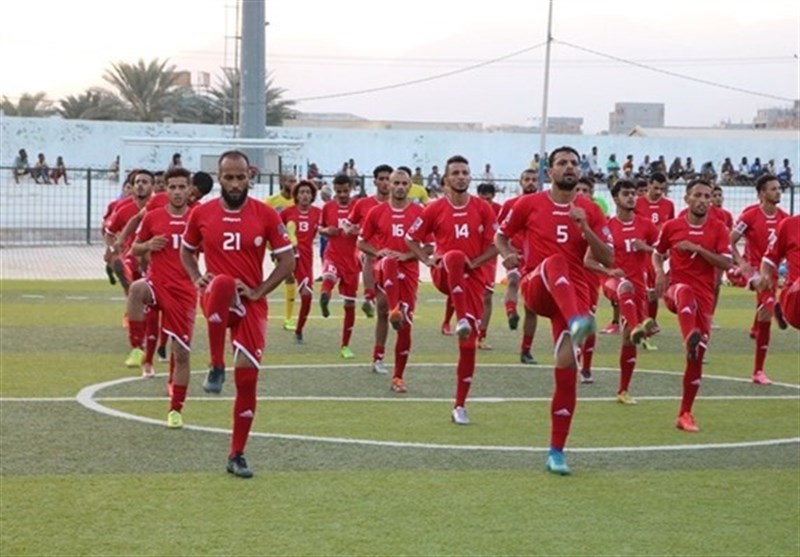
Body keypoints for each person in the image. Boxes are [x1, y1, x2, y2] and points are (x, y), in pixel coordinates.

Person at [496, 146, 612, 475]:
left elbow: (608, 258)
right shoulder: (529, 204)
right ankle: (577, 321)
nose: (569, 167)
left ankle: (556, 452)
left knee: (567, 370)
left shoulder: (591, 209)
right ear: (550, 170)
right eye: (562, 163)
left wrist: (586, 228)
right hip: (538, 287)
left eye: (574, 163)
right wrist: (507, 255)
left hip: (573, 296)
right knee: (554, 262)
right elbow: (501, 236)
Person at [180, 150, 294, 479]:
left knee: (247, 378)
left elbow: (288, 261)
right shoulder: (201, 213)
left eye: (240, 177)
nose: (234, 183)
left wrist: (259, 291)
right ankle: (216, 364)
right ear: (219, 178)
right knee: (223, 282)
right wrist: (195, 277)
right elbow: (186, 251)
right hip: (216, 299)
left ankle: (237, 454)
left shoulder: (266, 214)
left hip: (250, 304)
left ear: (249, 178)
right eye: (228, 177)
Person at [405, 155, 498, 426]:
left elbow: (497, 244)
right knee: (455, 256)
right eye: (455, 173)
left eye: (464, 172)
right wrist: (427, 260)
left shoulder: (483, 208)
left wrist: (476, 263)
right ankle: (462, 319)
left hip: (473, 280)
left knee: (468, 347)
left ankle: (459, 405)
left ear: (470, 177)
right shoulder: (434, 209)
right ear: (446, 179)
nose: (460, 176)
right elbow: (411, 238)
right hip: (444, 273)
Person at [653, 179, 733, 434]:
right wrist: (659, 272)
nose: (703, 200)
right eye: (697, 195)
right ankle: (690, 336)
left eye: (707, 196)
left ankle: (685, 413)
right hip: (676, 292)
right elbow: (657, 253)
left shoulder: (718, 228)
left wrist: (698, 249)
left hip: (704, 298)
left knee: (696, 356)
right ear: (687, 198)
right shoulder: (672, 226)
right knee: (684, 291)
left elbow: (726, 263)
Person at [127, 166, 199, 428]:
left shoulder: (198, 217)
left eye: (182, 187)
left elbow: (213, 247)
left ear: (189, 190)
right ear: (165, 190)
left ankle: (175, 409)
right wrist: (148, 245)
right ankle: (137, 347)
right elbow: (134, 249)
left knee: (181, 354)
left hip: (185, 292)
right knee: (136, 289)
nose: (177, 192)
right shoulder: (154, 217)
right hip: (157, 283)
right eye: (173, 187)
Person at [589, 179, 659, 404]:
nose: (631, 197)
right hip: (613, 282)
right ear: (615, 198)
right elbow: (588, 260)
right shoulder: (607, 227)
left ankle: (623, 390)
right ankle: (640, 325)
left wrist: (646, 248)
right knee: (624, 287)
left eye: (633, 193)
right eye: (626, 194)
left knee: (629, 340)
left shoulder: (646, 225)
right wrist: (609, 270)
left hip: (638, 289)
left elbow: (662, 253)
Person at [358, 168, 424, 393]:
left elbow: (429, 246)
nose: (400, 187)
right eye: (396, 183)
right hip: (384, 269)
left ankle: (398, 377)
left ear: (410, 186)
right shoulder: (376, 212)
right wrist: (379, 251)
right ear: (389, 185)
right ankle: (378, 355)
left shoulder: (419, 213)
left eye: (404, 183)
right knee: (384, 308)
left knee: (405, 326)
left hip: (409, 272)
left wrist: (407, 255)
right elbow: (361, 242)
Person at [729, 175, 789, 384]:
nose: (778, 192)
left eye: (779, 188)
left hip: (772, 270)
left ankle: (757, 368)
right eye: (773, 189)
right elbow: (730, 241)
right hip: (754, 269)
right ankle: (777, 308)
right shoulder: (750, 216)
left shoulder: (784, 219)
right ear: (762, 193)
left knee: (764, 315)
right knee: (768, 301)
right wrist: (741, 263)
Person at [348, 165, 393, 372]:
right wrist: (353, 229)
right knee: (367, 256)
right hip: (370, 252)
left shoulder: (403, 208)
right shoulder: (364, 204)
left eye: (388, 179)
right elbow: (348, 224)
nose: (385, 183)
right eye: (381, 179)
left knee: (389, 312)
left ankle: (381, 359)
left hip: (392, 261)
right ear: (375, 182)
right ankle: (368, 296)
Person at [496, 169, 541, 364]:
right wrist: (507, 251)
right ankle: (511, 311)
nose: (530, 183)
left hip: (535, 259)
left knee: (531, 306)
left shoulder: (542, 205)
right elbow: (499, 232)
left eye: (534, 180)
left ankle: (526, 350)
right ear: (521, 182)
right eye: (527, 179)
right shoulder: (510, 205)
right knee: (513, 280)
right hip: (515, 255)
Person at [319, 174, 360, 359]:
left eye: (345, 191)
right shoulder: (328, 207)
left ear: (351, 188)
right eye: (338, 191)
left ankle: (345, 345)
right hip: (333, 254)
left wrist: (357, 230)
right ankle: (324, 297)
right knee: (328, 277)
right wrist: (327, 230)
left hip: (351, 260)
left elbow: (368, 227)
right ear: (334, 190)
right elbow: (319, 228)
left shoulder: (358, 206)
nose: (342, 194)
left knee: (349, 303)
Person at [633, 171, 674, 350]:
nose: (658, 192)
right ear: (648, 185)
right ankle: (635, 321)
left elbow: (670, 228)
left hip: (657, 253)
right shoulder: (637, 202)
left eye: (662, 189)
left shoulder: (668, 205)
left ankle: (651, 321)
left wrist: (668, 249)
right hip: (638, 254)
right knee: (639, 289)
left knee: (653, 290)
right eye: (655, 188)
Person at [280, 180, 322, 344]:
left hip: (306, 257)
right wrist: (278, 249)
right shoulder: (287, 212)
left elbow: (327, 227)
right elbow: (276, 229)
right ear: (296, 195)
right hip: (289, 255)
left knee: (306, 296)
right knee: (284, 284)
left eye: (308, 192)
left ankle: (299, 329)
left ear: (312, 196)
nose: (305, 195)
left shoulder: (318, 213)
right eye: (302, 192)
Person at [265, 173, 299, 332]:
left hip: (293, 245)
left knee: (292, 278)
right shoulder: (271, 202)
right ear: (282, 182)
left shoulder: (297, 202)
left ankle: (289, 317)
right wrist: (272, 248)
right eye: (290, 181)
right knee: (288, 276)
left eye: (295, 181)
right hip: (275, 245)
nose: (293, 183)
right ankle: (288, 318)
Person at [758, 214, 800, 330]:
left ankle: (780, 304)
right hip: (795, 297)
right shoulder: (788, 225)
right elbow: (769, 259)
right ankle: (782, 302)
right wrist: (766, 275)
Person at [475, 183, 502, 350]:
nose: (486, 202)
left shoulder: (499, 210)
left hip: (489, 258)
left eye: (489, 199)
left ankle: (481, 336)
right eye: (483, 198)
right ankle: (467, 329)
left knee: (486, 296)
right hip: (471, 256)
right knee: (469, 295)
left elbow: (504, 233)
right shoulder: (471, 208)